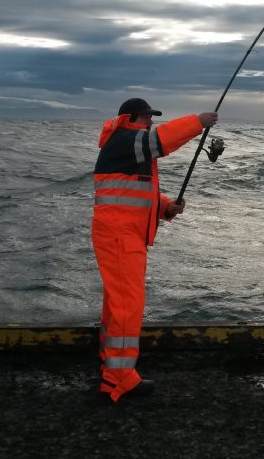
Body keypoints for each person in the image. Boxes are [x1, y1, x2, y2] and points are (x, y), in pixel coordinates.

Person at [91, 97, 218, 402]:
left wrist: (165, 207)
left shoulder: (128, 147)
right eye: (147, 117)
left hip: (123, 235)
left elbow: (130, 190)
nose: (151, 122)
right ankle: (119, 380)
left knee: (117, 305)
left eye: (152, 118)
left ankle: (111, 365)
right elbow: (160, 141)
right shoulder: (125, 139)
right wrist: (198, 122)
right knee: (127, 306)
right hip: (121, 236)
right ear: (130, 119)